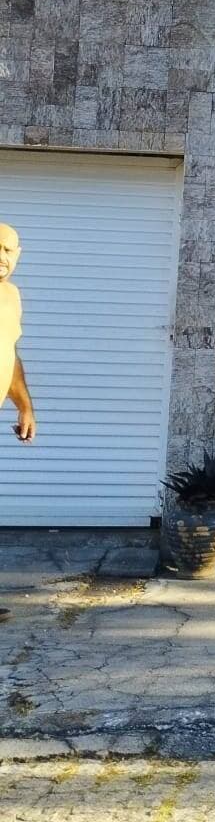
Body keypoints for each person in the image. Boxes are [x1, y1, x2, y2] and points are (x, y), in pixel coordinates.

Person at [0, 221, 35, 622]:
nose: (1, 257)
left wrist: (24, 407)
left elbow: (9, 357)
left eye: (9, 249)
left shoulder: (11, 297)